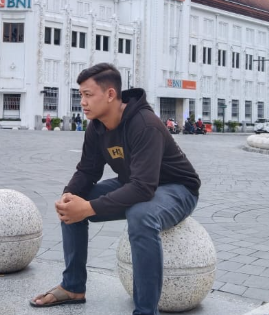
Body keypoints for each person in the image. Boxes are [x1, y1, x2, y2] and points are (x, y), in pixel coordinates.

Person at [30, 63, 201, 315]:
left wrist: (89, 208)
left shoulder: (145, 124)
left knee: (141, 215)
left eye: (88, 95)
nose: (82, 102)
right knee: (72, 203)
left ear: (110, 94)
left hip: (177, 189)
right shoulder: (97, 126)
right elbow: (87, 170)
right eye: (81, 95)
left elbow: (143, 188)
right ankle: (73, 286)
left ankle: (146, 311)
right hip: (135, 182)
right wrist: (69, 194)